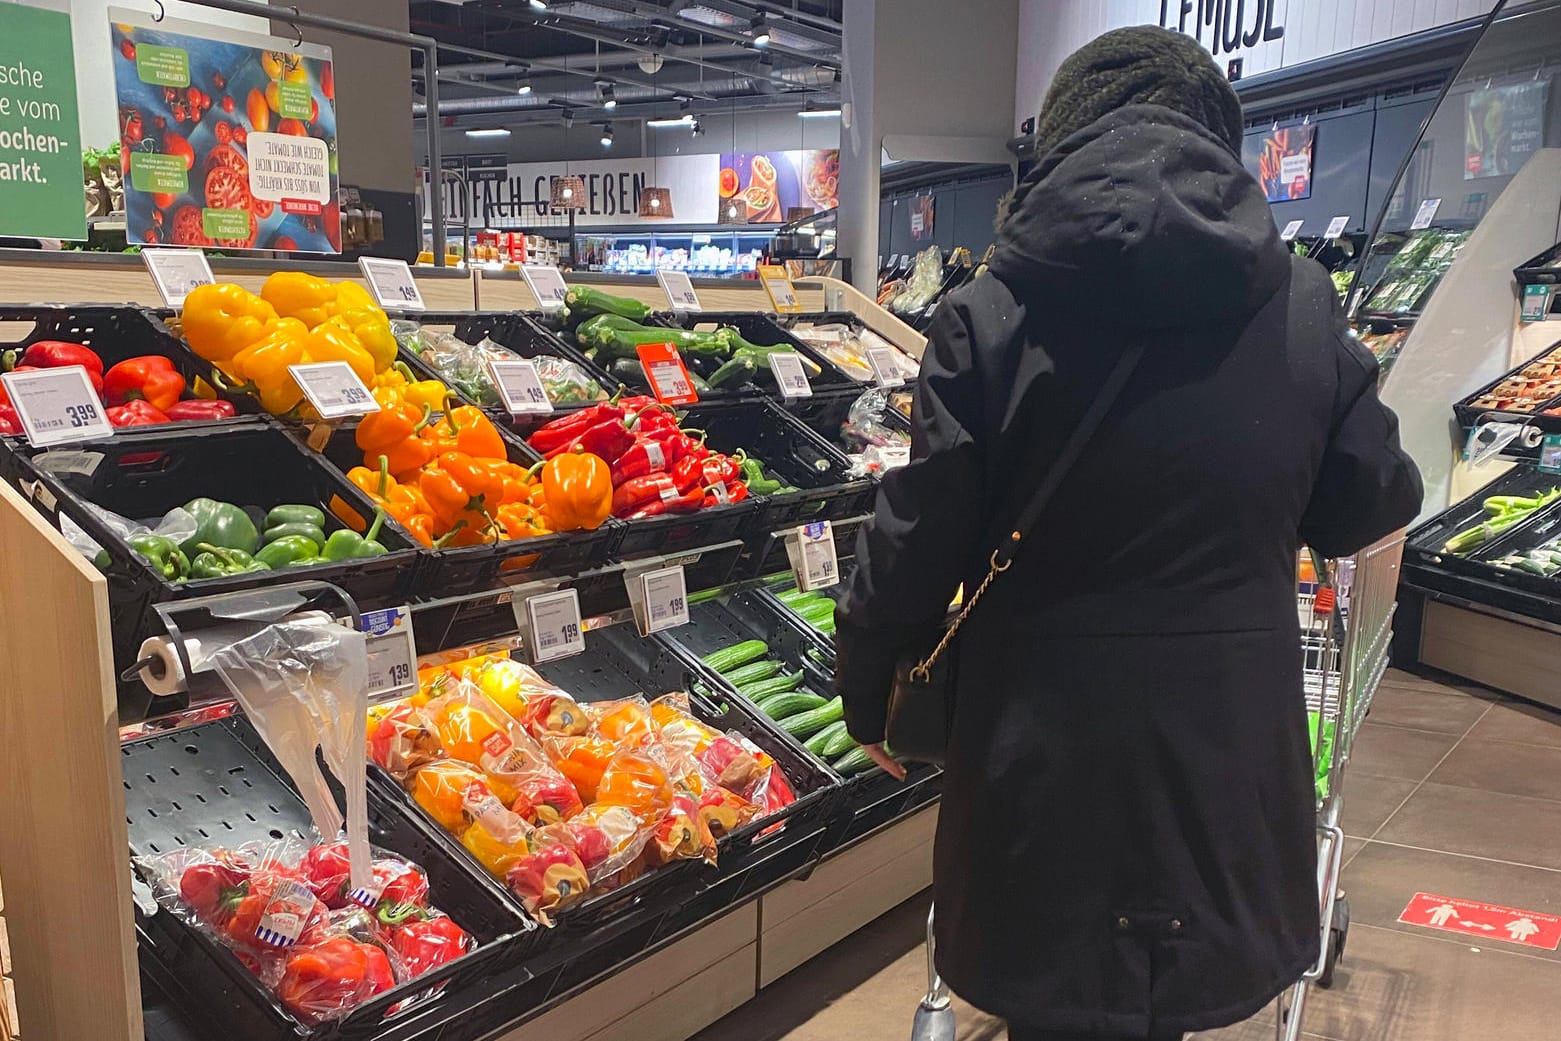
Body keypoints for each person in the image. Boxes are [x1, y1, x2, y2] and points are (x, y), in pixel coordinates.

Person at [834, 25, 1422, 1041]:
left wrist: (869, 694)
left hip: (1040, 760)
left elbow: (916, 535)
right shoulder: (1301, 308)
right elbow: (1368, 501)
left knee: (1053, 1004)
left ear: (1060, 136)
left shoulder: (989, 312)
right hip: (1223, 757)